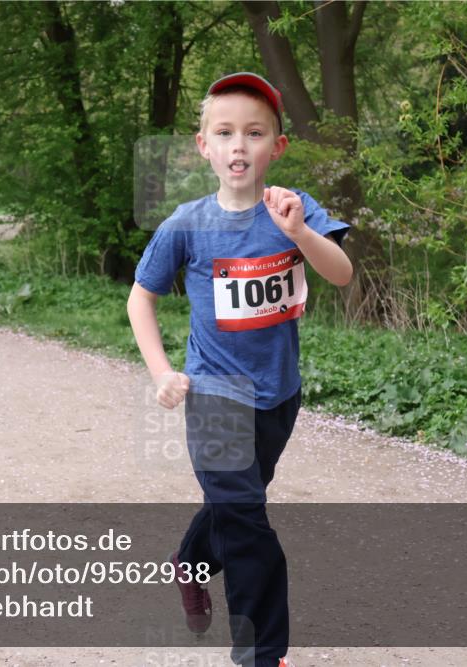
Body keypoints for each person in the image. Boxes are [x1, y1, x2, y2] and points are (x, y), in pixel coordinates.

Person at [127, 73, 353, 667]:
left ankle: (190, 562)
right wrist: (161, 373)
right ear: (204, 146)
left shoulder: (291, 209)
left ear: (275, 146)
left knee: (238, 504)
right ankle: (261, 654)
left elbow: (342, 275)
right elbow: (140, 298)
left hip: (278, 394)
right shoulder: (187, 224)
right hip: (214, 397)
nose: (238, 145)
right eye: (224, 133)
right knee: (251, 528)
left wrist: (299, 231)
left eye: (254, 133)